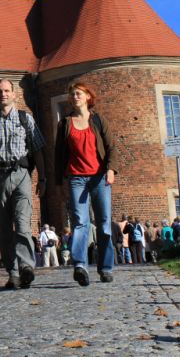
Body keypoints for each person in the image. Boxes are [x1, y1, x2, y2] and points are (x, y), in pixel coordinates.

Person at [0, 78, 46, 289]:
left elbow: (38, 149)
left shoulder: (26, 119)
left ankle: (26, 267)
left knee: (22, 223)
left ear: (14, 94)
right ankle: (13, 272)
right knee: (4, 228)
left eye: (6, 91)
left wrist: (42, 178)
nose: (3, 94)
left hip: (21, 173)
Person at [54, 82, 119, 286]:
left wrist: (110, 169)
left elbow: (111, 147)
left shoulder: (98, 120)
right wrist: (58, 182)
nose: (75, 97)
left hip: (99, 177)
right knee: (80, 222)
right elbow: (58, 155)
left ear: (88, 97)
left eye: (79, 93)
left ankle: (105, 267)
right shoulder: (65, 124)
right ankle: (80, 265)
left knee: (104, 222)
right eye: (72, 94)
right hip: (76, 178)